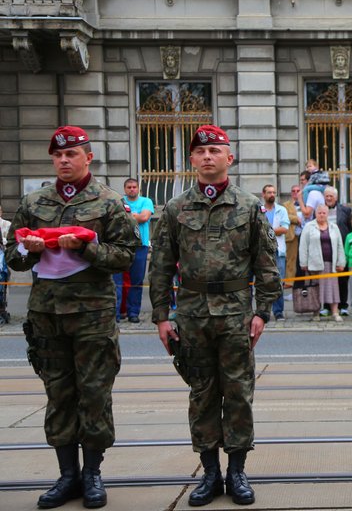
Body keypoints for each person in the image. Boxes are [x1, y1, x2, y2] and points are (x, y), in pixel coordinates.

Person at [4, 125, 139, 509]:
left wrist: (87, 249)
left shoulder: (109, 202)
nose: (64, 160)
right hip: (47, 314)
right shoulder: (34, 202)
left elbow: (125, 256)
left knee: (94, 393)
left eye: (72, 154)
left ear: (88, 158)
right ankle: (67, 476)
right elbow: (13, 257)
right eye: (58, 155)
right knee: (58, 394)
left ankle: (93, 474)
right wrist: (29, 250)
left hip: (92, 314)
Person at [148, 125, 279, 507]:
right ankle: (209, 473)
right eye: (201, 150)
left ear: (229, 157)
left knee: (238, 392)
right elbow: (159, 266)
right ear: (191, 159)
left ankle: (237, 472)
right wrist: (161, 316)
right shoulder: (175, 208)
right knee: (202, 393)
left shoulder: (249, 206)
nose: (208, 156)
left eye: (215, 150)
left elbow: (265, 263)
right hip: (191, 314)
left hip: (237, 313)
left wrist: (263, 313)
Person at [112, 178, 154, 323]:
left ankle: (133, 313)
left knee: (136, 281)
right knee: (116, 281)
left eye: (134, 187)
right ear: (124, 189)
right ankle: (116, 313)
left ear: (138, 189)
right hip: (120, 245)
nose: (132, 189)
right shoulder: (118, 200)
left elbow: (144, 217)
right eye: (129, 187)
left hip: (140, 246)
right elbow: (115, 219)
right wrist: (135, 216)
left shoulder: (146, 201)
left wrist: (127, 216)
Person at [299, 204, 346, 321]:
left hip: (331, 264)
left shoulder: (334, 227)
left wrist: (341, 262)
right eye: (319, 212)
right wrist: (303, 262)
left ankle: (335, 312)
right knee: (315, 289)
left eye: (324, 213)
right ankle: (316, 313)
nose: (321, 215)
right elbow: (303, 246)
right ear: (315, 214)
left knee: (333, 289)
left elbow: (340, 245)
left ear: (327, 214)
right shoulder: (309, 227)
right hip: (314, 264)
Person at [262, 184, 290, 321]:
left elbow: (285, 228)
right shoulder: (258, 210)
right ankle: (263, 312)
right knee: (263, 283)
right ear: (263, 195)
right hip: (262, 251)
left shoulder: (281, 210)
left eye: (273, 192)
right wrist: (274, 230)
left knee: (279, 282)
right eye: (269, 192)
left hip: (278, 251)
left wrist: (267, 231)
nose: (272, 194)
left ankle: (278, 312)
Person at [323, 186, 352, 315]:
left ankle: (343, 305)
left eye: (331, 196)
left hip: (341, 248)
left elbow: (350, 229)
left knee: (342, 278)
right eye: (327, 196)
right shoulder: (320, 210)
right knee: (326, 278)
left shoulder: (345, 210)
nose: (329, 198)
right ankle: (327, 306)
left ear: (336, 197)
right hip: (326, 248)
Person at [283, 184, 303, 283]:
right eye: (293, 191)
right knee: (291, 259)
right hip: (292, 236)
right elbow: (285, 215)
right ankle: (290, 283)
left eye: (298, 190)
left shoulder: (306, 203)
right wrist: (296, 219)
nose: (295, 193)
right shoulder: (286, 204)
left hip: (304, 235)